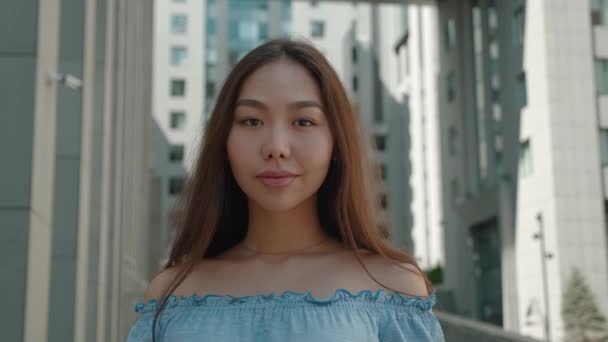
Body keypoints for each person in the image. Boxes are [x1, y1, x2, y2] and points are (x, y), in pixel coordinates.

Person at [126, 38, 445, 341]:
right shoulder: (171, 296)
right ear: (224, 141)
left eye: (303, 121)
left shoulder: (393, 288)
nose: (276, 147)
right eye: (251, 121)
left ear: (335, 143)